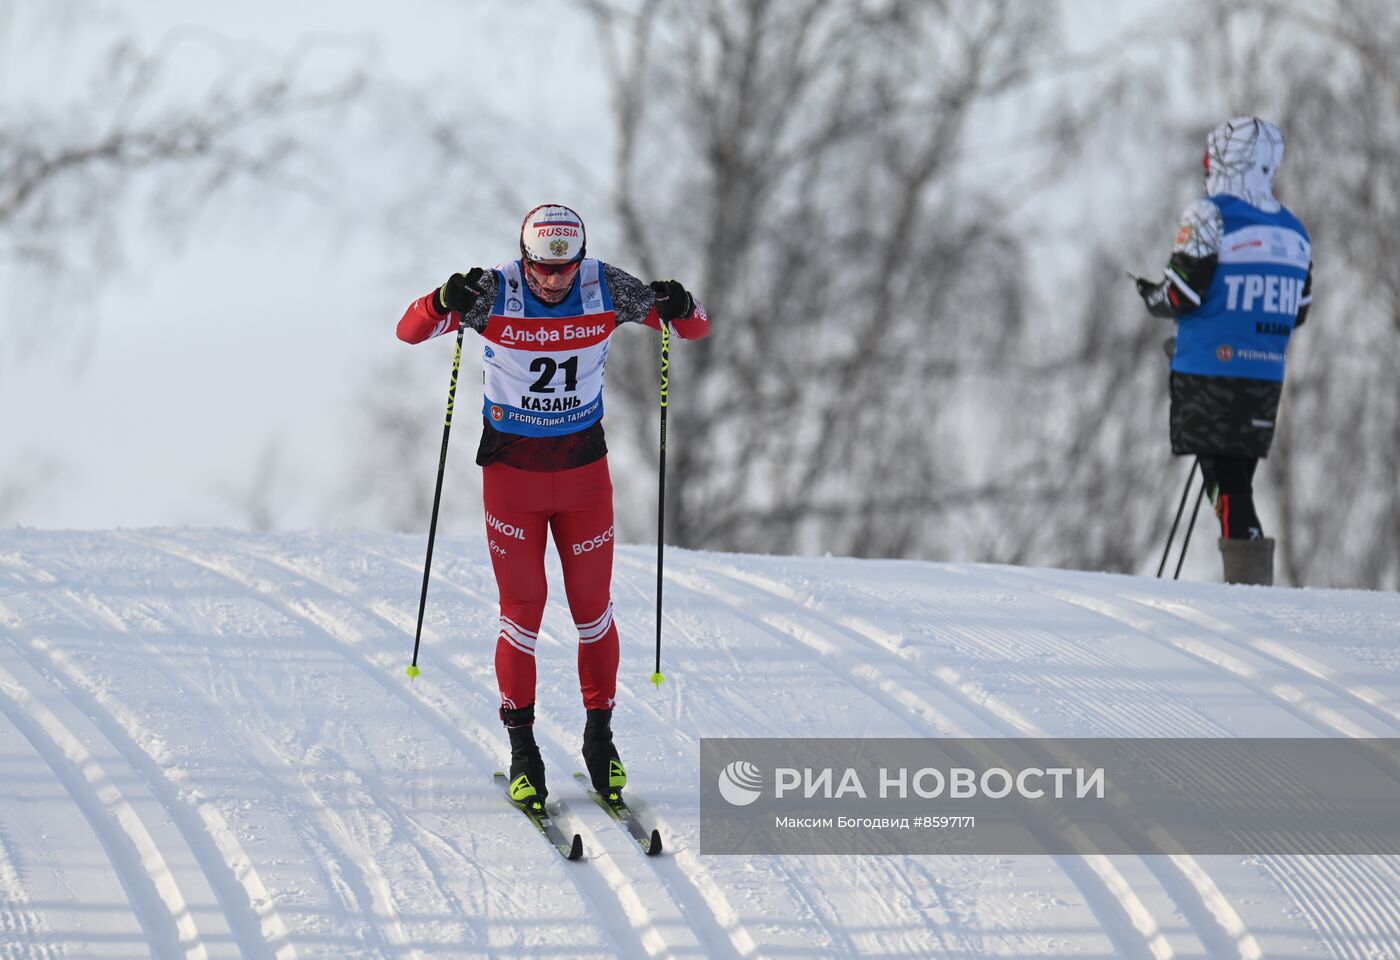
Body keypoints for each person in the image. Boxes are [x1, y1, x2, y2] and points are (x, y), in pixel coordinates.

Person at [396, 204, 710, 807]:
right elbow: (409, 331)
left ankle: (600, 740)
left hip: (584, 477)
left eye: (564, 267)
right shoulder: (492, 291)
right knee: (523, 612)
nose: (554, 280)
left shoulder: (606, 285)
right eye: (543, 267)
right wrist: (443, 299)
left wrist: (678, 302)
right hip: (512, 476)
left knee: (593, 611)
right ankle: (523, 751)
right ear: (524, 257)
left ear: (580, 257)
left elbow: (693, 328)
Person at [1134, 117, 1313, 586]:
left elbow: (1180, 296)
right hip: (1265, 378)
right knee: (1237, 478)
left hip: (1208, 371)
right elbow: (1300, 311)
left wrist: (1147, 293)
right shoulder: (1295, 233)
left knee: (1225, 482)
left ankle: (1249, 580)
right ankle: (1247, 574)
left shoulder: (1208, 216)